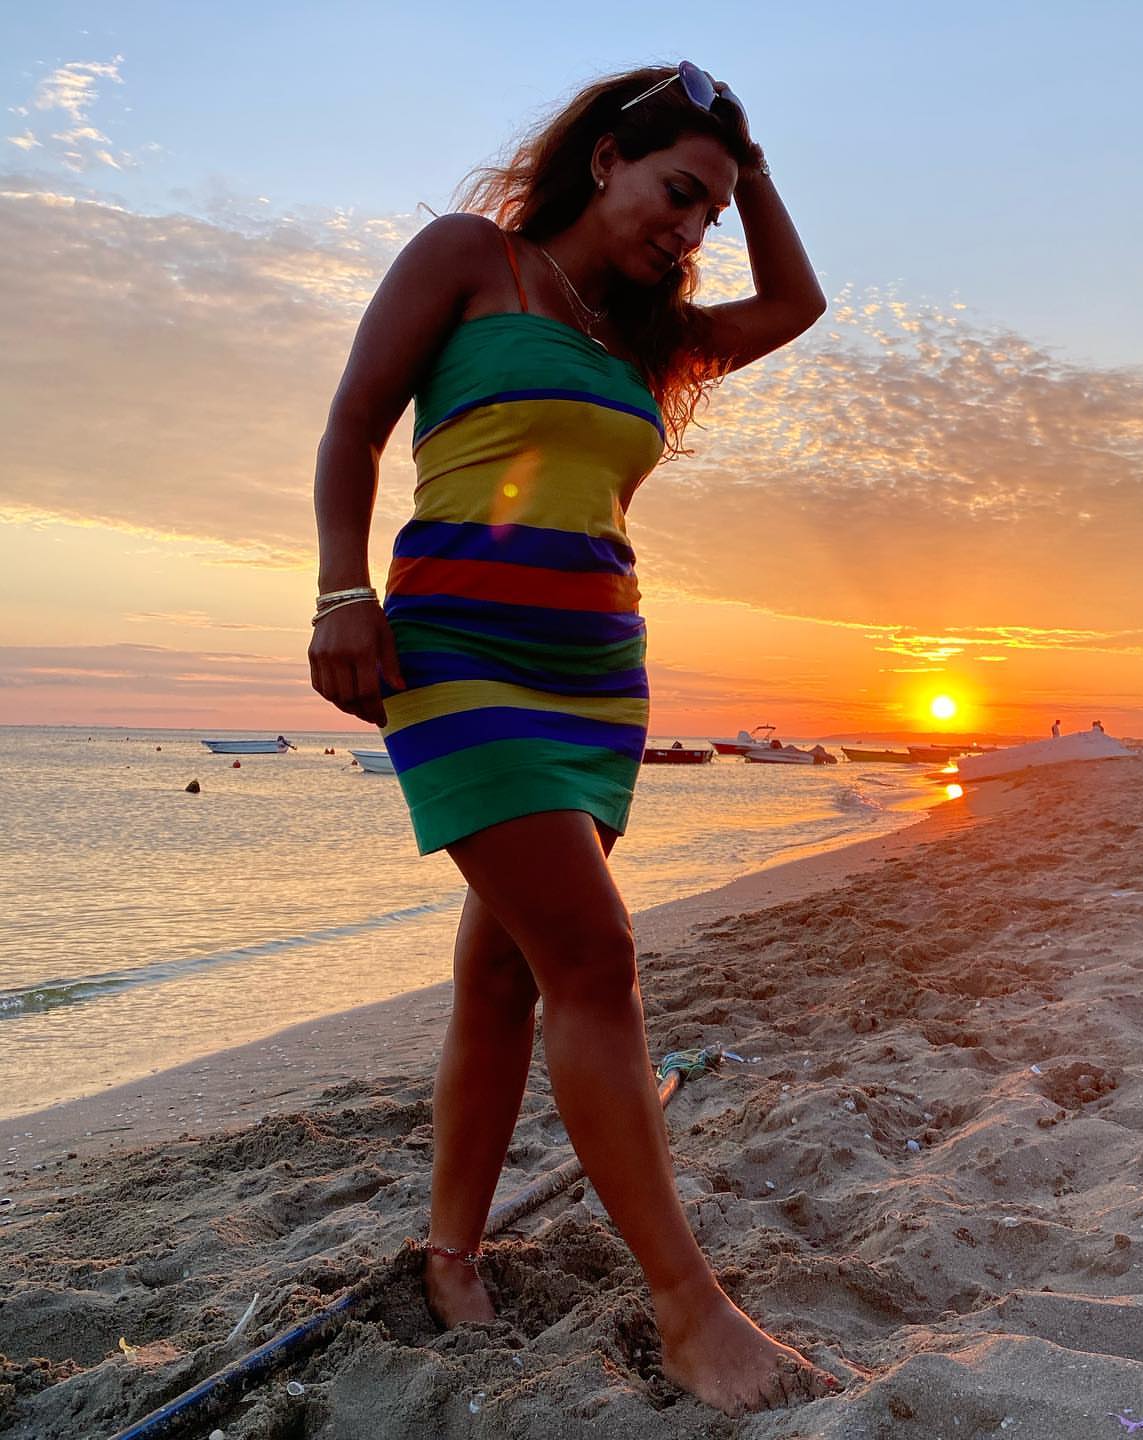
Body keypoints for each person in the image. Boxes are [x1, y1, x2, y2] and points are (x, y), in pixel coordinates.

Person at [306, 63, 829, 1417]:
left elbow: (797, 306)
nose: (689, 227)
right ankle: (689, 1307)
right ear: (605, 159)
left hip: (596, 679)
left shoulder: (648, 341)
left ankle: (451, 1255)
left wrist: (753, 171)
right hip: (457, 657)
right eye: (677, 191)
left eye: (710, 211)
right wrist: (341, 592)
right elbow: (355, 424)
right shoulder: (469, 262)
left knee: (506, 975)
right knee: (595, 956)